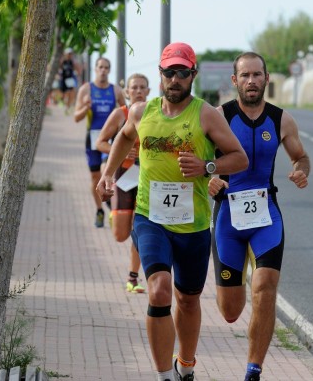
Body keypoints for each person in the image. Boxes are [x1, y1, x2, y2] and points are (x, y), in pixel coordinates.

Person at [96, 42, 248, 381]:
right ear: (160, 75)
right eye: (169, 72)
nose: (175, 79)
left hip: (192, 225)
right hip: (150, 218)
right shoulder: (141, 112)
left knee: (189, 300)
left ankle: (187, 365)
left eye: (182, 72)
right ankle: (165, 376)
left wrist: (207, 165)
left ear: (192, 74)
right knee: (160, 288)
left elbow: (239, 158)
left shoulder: (206, 114)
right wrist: (108, 173)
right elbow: (122, 138)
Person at [208, 52, 310, 381]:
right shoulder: (219, 117)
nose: (252, 81)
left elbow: (301, 156)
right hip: (228, 217)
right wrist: (209, 178)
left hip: (266, 214)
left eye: (257, 75)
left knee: (265, 285)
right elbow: (197, 162)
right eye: (245, 75)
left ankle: (254, 369)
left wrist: (300, 170)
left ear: (267, 79)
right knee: (230, 311)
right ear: (234, 81)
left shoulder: (282, 120)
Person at [95, 73, 151, 293]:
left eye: (142, 87)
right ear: (126, 92)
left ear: (148, 91)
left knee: (140, 226)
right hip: (123, 176)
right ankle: (114, 214)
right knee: (120, 235)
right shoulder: (121, 114)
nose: (138, 91)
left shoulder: (155, 115)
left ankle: (133, 277)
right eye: (134, 87)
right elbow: (100, 142)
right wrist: (122, 153)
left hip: (146, 178)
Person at [74, 57, 126, 227]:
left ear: (109, 70)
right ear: (95, 69)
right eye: (100, 67)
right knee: (95, 177)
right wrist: (85, 107)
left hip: (109, 139)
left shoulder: (116, 90)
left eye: (106, 67)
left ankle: (112, 207)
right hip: (92, 137)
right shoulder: (86, 89)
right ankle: (99, 210)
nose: (103, 70)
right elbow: (76, 117)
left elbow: (126, 114)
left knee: (106, 171)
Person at [59, 48, 82, 112]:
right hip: (63, 79)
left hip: (70, 79)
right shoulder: (63, 61)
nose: (69, 55)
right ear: (65, 54)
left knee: (71, 92)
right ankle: (65, 104)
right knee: (64, 93)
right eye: (68, 54)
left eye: (70, 54)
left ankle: (68, 106)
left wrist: (78, 74)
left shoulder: (72, 62)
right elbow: (59, 67)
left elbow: (77, 68)